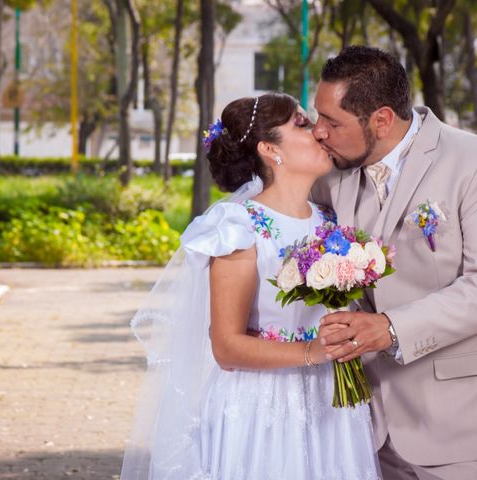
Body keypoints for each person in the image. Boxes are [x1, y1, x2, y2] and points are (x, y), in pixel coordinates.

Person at [311, 45, 477, 480]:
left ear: (381, 120)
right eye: (317, 117)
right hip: (370, 427)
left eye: (332, 122)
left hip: (465, 420)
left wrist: (391, 328)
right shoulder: (332, 176)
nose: (319, 132)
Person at [121, 92, 381, 479]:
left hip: (332, 404)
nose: (320, 132)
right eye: (301, 124)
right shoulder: (238, 226)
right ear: (269, 149)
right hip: (264, 409)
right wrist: (314, 350)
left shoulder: (331, 221)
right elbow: (226, 347)